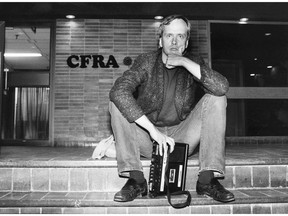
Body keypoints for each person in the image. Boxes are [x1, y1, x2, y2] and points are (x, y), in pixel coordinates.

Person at [109, 14, 235, 203]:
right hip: (149, 139)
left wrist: (184, 62)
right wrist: (153, 132)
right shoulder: (147, 61)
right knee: (117, 102)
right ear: (160, 40)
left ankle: (207, 180)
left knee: (217, 98)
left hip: (182, 138)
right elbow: (118, 91)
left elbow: (221, 87)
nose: (174, 42)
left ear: (186, 42)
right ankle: (136, 180)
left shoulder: (193, 62)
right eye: (169, 36)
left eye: (180, 36)